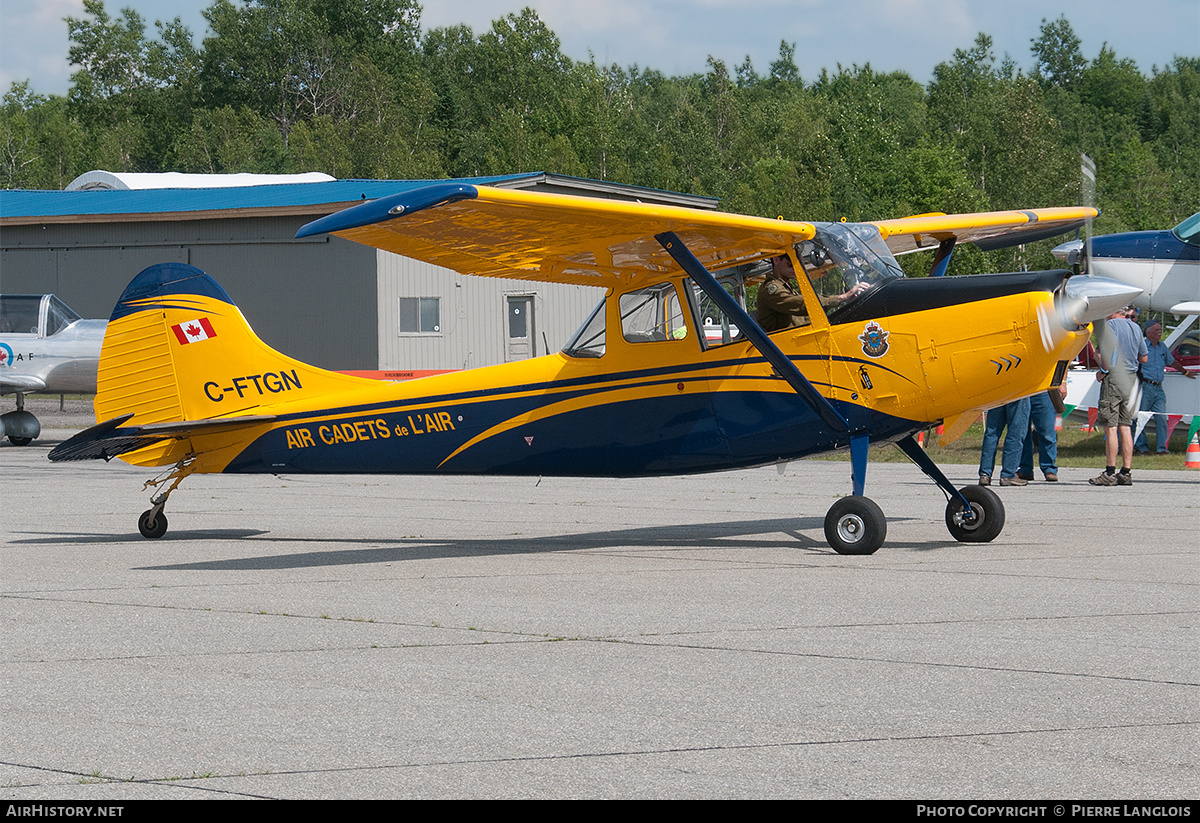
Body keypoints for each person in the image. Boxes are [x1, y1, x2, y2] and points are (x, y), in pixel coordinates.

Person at [1089, 308, 1148, 486]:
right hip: (1130, 378)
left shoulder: (1111, 325)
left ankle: (1109, 471)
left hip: (1114, 376)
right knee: (1125, 425)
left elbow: (1106, 351)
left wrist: (1103, 371)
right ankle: (1126, 471)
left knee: (1110, 426)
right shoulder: (1136, 328)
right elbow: (1143, 358)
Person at [756, 254, 865, 332]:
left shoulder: (786, 287)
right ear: (776, 260)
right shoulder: (771, 289)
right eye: (790, 264)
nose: (795, 269)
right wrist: (842, 297)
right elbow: (801, 304)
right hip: (786, 349)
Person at [1134, 320, 1197, 455]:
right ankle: (1142, 447)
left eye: (1160, 329)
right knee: (1141, 418)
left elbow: (1172, 362)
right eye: (1157, 330)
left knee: (1162, 418)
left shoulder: (1162, 347)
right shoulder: (1142, 346)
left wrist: (1185, 372)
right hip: (1145, 386)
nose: (1160, 332)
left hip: (1158, 388)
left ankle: (1162, 448)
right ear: (1148, 332)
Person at [1018, 385, 1067, 482]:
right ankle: (1025, 469)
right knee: (1022, 433)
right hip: (1022, 388)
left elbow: (1062, 368)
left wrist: (1063, 382)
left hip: (1044, 388)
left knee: (1047, 432)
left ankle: (1049, 468)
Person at [979, 397, 1032, 486]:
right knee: (1015, 433)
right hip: (1018, 390)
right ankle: (1008, 474)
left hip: (998, 391)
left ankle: (985, 474)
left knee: (992, 433)